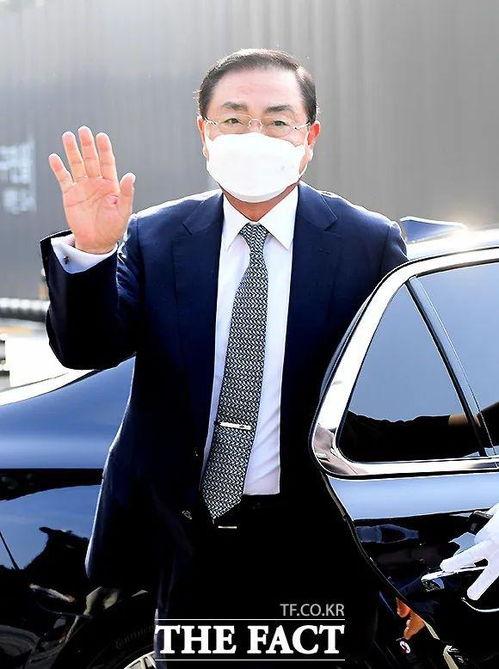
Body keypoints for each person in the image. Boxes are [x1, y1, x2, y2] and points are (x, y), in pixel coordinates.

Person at [41, 49, 409, 665]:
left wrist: (406, 559)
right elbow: (88, 349)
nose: (254, 135)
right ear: (204, 133)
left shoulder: (365, 243)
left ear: (309, 138)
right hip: (188, 542)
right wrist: (94, 252)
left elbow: (393, 397)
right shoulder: (157, 237)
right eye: (233, 119)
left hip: (320, 541)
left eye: (277, 120)